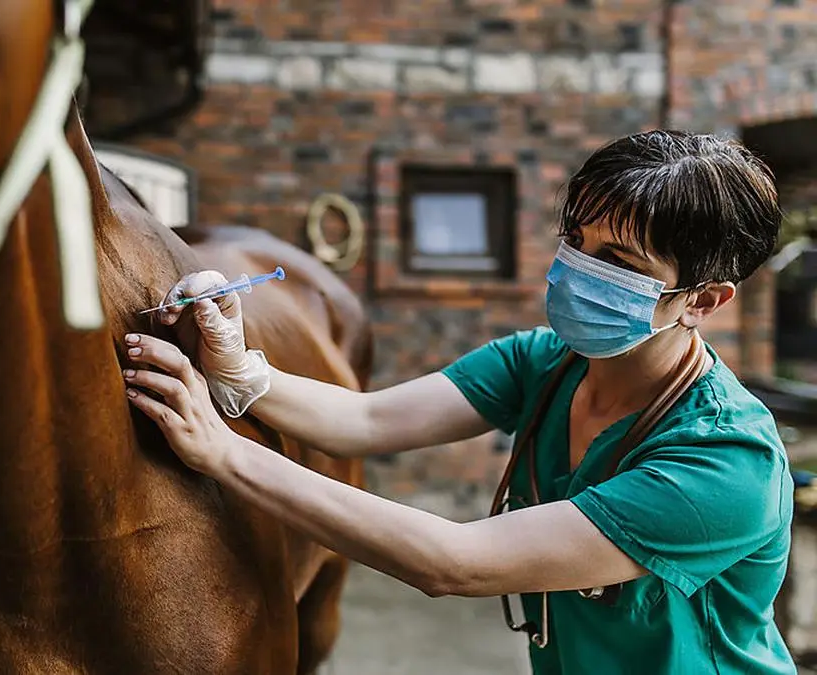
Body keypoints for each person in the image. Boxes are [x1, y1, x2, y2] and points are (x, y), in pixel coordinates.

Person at [122, 130, 797, 675]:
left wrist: (224, 451)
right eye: (576, 240)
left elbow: (454, 561)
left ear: (703, 301)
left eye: (619, 261)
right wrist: (242, 371)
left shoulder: (724, 463)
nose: (578, 268)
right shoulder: (548, 362)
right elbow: (369, 418)